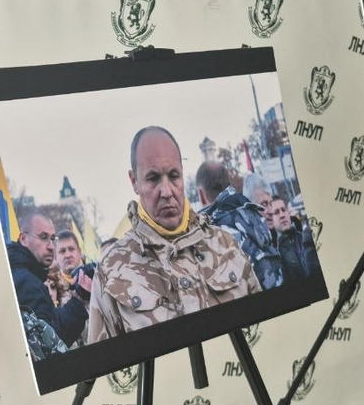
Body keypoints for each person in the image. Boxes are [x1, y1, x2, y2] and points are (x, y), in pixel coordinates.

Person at [87, 126, 260, 344]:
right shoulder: (111, 270)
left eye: (174, 176)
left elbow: (265, 330)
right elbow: (106, 363)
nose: (167, 192)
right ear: (134, 181)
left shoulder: (225, 244)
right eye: (153, 178)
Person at [6, 212, 91, 356]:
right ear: (24, 239)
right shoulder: (26, 282)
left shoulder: (22, 274)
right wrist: (78, 302)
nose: (51, 247)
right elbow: (49, 344)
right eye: (43, 237)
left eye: (52, 239)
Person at [195, 160, 283, 289]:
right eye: (265, 204)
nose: (270, 211)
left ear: (201, 195)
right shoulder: (256, 222)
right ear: (229, 186)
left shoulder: (202, 239)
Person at [264, 196, 320, 283]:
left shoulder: (305, 239)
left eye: (283, 210)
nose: (282, 215)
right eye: (276, 212)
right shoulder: (272, 252)